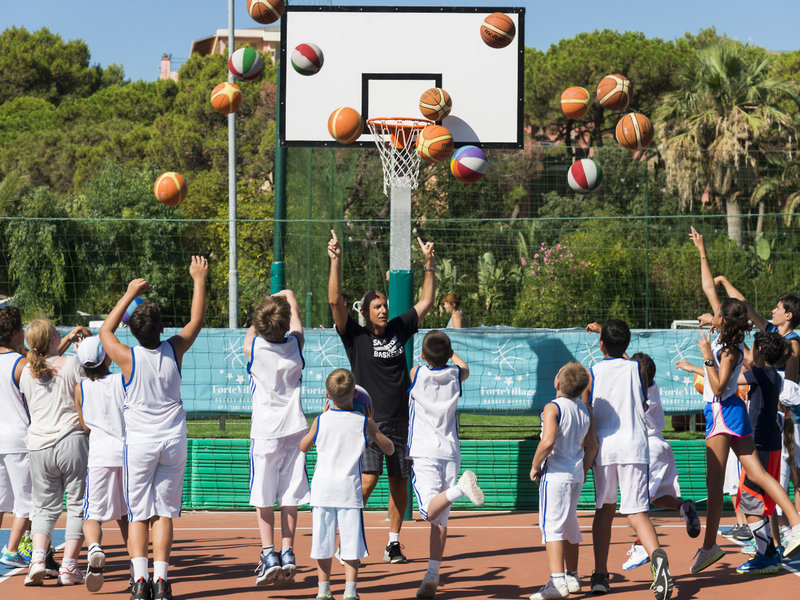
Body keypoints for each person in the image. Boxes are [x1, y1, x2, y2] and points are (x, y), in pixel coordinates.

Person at [676, 226, 800, 572]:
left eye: (717, 312)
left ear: (721, 320)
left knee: (716, 485)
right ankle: (794, 523)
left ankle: (710, 547)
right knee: (755, 475)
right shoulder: (728, 337)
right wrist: (701, 251)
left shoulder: (728, 348)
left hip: (722, 413)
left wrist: (704, 359)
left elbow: (717, 389)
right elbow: (708, 287)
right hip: (733, 414)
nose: (711, 312)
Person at [99, 255, 208, 600]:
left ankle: (140, 582)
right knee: (163, 512)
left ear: (132, 331)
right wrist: (198, 279)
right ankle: (161, 581)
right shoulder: (174, 349)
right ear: (162, 329)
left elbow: (104, 331)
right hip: (173, 439)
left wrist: (130, 293)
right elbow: (196, 320)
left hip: (140, 443)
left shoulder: (127, 357)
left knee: (138, 514)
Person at [327, 229, 436, 563]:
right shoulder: (355, 336)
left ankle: (393, 543)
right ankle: (345, 539)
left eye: (385, 305)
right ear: (364, 311)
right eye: (377, 307)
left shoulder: (399, 328)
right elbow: (334, 302)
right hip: (368, 422)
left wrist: (429, 265)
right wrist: (335, 261)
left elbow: (426, 302)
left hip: (401, 420)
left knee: (399, 483)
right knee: (367, 481)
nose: (383, 310)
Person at [582, 318, 672, 600]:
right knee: (637, 513)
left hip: (605, 448)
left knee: (604, 510)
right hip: (634, 446)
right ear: (627, 344)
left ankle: (600, 574)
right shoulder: (638, 368)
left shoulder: (592, 372)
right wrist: (608, 336)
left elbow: (586, 410)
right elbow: (639, 396)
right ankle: (658, 560)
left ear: (601, 344)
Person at [300, 368, 395, 600]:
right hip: (348, 492)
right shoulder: (364, 422)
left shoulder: (321, 420)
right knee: (351, 544)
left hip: (322, 490)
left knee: (322, 543)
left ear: (327, 395)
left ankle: (323, 591)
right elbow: (390, 449)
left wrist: (320, 421)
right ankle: (350, 591)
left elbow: (303, 446)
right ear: (354, 393)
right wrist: (372, 424)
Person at [407, 330, 484, 599]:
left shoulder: (417, 373)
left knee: (428, 511)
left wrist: (441, 353)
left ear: (422, 355)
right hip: (450, 452)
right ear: (449, 353)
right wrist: (450, 354)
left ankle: (461, 489)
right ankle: (432, 574)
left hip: (425, 451)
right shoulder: (454, 375)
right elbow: (464, 367)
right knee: (440, 518)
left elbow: (424, 364)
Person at [243, 289, 310, 587]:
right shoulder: (295, 346)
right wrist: (290, 298)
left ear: (260, 324)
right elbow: (297, 329)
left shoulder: (254, 347)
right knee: (290, 496)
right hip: (295, 430)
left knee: (263, 495)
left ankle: (269, 554)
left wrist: (262, 315)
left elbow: (252, 333)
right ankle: (288, 552)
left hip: (266, 432)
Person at [20, 319, 90, 586]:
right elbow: (85, 394)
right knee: (77, 505)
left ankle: (38, 559)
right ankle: (69, 566)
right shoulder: (72, 364)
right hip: (70, 438)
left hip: (38, 445)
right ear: (51, 340)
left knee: (43, 508)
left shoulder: (26, 372)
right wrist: (83, 347)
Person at [621, 353, 701, 571]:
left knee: (636, 505)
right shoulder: (652, 385)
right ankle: (683, 507)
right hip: (660, 446)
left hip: (645, 449)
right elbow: (636, 369)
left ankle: (642, 546)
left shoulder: (638, 391)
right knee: (656, 498)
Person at [528, 361, 593, 600]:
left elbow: (548, 442)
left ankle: (556, 582)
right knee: (569, 524)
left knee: (552, 527)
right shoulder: (585, 408)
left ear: (557, 382)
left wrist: (535, 466)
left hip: (556, 475)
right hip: (575, 474)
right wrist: (582, 470)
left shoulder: (553, 407)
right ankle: (572, 577)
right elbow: (592, 445)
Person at [73, 335, 129, 592]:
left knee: (92, 514)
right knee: (128, 516)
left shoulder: (80, 388)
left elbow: (85, 426)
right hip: (126, 455)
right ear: (106, 358)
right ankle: (136, 567)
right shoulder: (122, 380)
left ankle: (94, 547)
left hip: (99, 456)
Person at [0, 307, 33, 569]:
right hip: (19, 439)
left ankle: (13, 549)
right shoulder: (21, 364)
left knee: (1, 501)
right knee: (28, 501)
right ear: (14, 332)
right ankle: (11, 550)